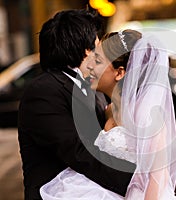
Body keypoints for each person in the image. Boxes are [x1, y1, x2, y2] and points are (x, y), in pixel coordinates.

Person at [40, 29, 176, 199]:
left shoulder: (148, 117)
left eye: (98, 61)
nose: (89, 66)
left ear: (119, 73)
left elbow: (158, 177)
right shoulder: (106, 110)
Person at [17, 10, 136, 200]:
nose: (100, 51)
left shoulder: (95, 88)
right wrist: (135, 184)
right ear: (86, 49)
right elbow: (79, 153)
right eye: (97, 45)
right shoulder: (44, 91)